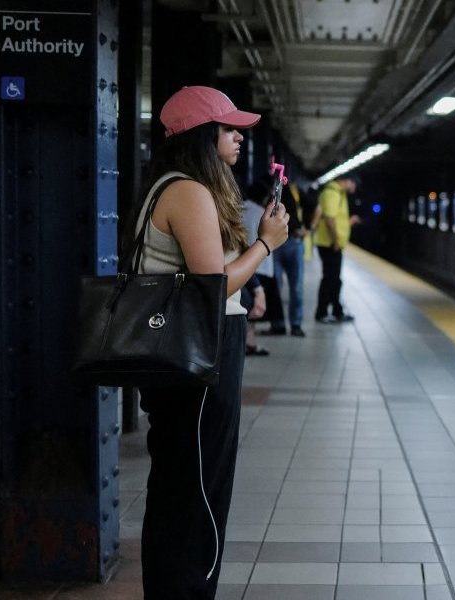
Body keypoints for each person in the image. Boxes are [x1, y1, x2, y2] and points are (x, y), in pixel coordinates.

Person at [133, 85, 288, 599]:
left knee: (182, 484)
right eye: (227, 128)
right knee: (199, 491)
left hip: (186, 351)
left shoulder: (172, 187)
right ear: (202, 135)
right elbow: (212, 282)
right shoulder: (188, 192)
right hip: (196, 353)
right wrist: (266, 242)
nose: (239, 135)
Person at [242, 176, 282, 353]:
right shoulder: (262, 213)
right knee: (255, 308)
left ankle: (247, 342)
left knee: (246, 305)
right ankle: (249, 342)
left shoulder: (239, 210)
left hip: (244, 262)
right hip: (262, 264)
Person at [313, 175, 361, 323]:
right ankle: (321, 313)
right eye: (354, 186)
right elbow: (329, 219)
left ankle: (337, 310)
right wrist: (335, 240)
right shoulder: (332, 193)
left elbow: (335, 217)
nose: (354, 190)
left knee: (335, 279)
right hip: (329, 244)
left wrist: (348, 222)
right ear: (348, 181)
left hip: (332, 243)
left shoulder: (338, 194)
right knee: (330, 279)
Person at [268, 181, 309, 336]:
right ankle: (278, 324)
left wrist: (309, 228)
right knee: (275, 287)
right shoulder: (271, 191)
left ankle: (296, 324)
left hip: (293, 242)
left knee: (296, 287)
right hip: (275, 244)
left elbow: (317, 208)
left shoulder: (295, 190)